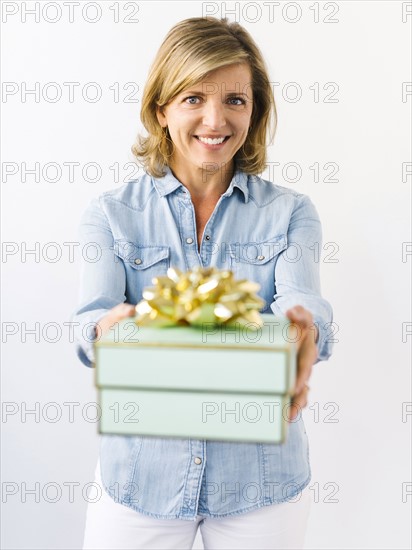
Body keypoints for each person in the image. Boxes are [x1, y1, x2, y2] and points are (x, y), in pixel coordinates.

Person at [72, 16, 334, 550]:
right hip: (141, 479)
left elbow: (305, 303)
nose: (215, 119)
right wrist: (109, 330)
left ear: (254, 109)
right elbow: (87, 323)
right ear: (161, 108)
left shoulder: (291, 213)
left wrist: (301, 334)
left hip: (262, 482)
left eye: (235, 100)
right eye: (194, 97)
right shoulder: (110, 214)